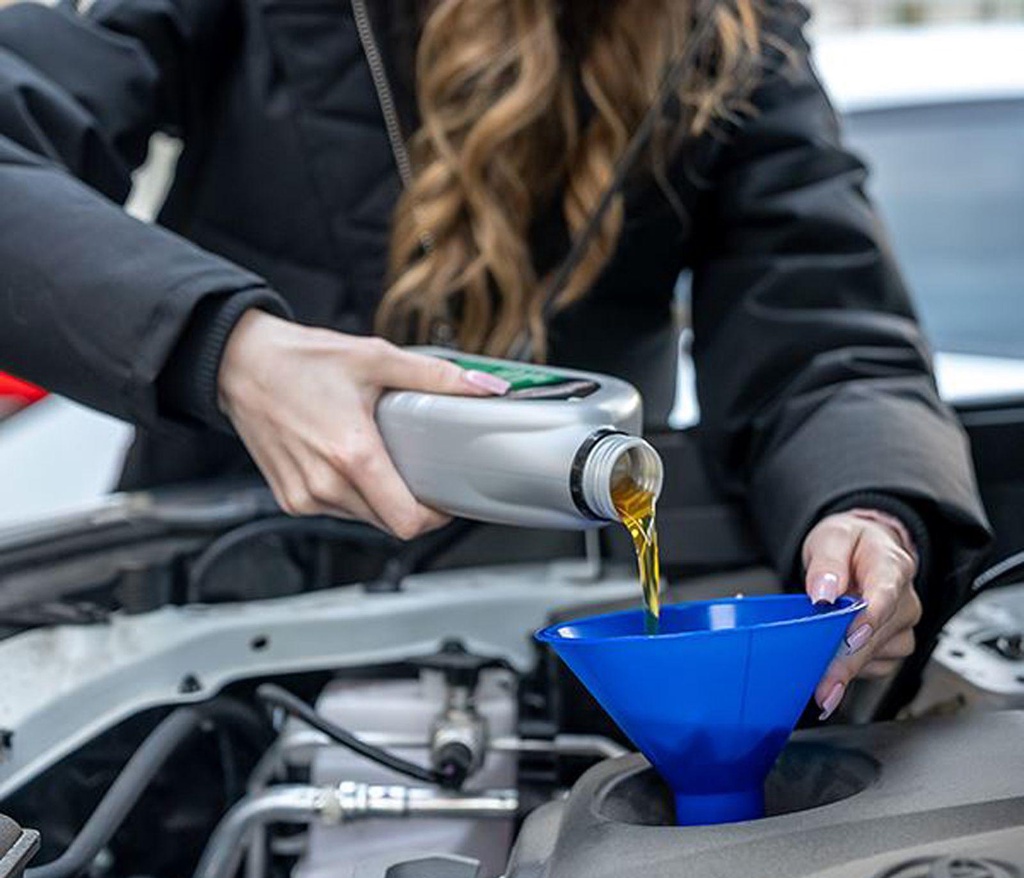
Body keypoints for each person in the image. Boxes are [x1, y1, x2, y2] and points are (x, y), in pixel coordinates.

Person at [0, 0, 990, 717]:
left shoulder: (735, 36)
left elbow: (824, 327)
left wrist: (866, 505)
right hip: (214, 646)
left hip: (558, 646)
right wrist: (232, 350)